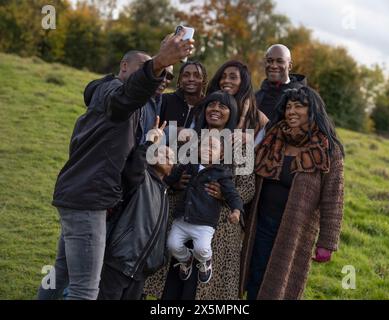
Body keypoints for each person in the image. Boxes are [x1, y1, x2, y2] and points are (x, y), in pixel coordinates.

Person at [37, 30, 194, 300]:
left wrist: (150, 143)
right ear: (124, 66)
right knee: (85, 290)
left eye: (168, 76)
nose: (163, 79)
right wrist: (156, 62)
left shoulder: (134, 106)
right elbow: (125, 98)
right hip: (89, 199)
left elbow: (130, 157)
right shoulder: (112, 92)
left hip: (83, 196)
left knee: (61, 272)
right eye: (154, 71)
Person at [143, 90, 256, 300]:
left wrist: (225, 195)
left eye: (222, 106)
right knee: (172, 286)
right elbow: (167, 170)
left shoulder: (241, 144)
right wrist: (175, 181)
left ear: (232, 113)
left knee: (199, 292)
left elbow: (248, 188)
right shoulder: (189, 138)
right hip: (182, 215)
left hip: (217, 226)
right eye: (211, 104)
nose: (215, 109)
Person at [240, 86, 345, 300]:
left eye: (299, 106)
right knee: (254, 277)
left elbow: (334, 198)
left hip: (295, 230)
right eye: (288, 107)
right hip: (261, 222)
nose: (291, 111)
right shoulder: (273, 137)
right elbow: (248, 174)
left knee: (280, 285)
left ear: (313, 110)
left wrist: (327, 242)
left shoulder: (328, 149)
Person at [98, 117, 175, 300]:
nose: (164, 155)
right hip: (119, 263)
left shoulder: (164, 193)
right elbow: (134, 168)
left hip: (141, 272)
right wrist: (149, 142)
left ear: (172, 169)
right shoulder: (140, 179)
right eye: (160, 152)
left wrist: (159, 260)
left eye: (170, 157)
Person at [166, 126, 243, 285]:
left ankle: (205, 261)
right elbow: (172, 177)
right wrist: (166, 180)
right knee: (172, 245)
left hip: (204, 222)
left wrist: (236, 211)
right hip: (183, 218)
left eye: (213, 147)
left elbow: (232, 194)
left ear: (221, 154)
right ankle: (186, 259)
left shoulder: (222, 174)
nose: (208, 149)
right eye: (204, 145)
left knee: (202, 249)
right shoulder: (189, 165)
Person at [206, 60, 268, 141]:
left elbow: (262, 149)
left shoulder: (257, 118)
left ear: (243, 82)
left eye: (233, 77)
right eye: (223, 77)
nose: (226, 81)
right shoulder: (209, 109)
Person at [256, 44, 307, 120]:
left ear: (289, 66)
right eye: (269, 61)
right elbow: (245, 127)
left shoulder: (304, 98)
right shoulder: (255, 97)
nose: (273, 66)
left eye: (280, 61)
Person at [160, 61, 208, 129]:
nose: (191, 79)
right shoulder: (164, 100)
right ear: (180, 80)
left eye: (197, 76)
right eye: (186, 75)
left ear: (204, 81)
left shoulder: (207, 106)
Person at [137, 65, 174, 145]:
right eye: (161, 74)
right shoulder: (137, 99)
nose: (164, 80)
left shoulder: (159, 99)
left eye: (169, 76)